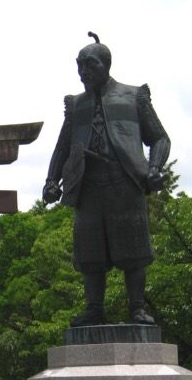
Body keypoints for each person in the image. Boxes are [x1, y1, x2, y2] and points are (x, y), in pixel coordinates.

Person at [42, 32, 171, 327]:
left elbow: (160, 138)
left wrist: (154, 168)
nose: (83, 73)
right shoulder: (76, 105)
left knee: (134, 248)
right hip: (86, 184)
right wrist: (52, 179)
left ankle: (137, 307)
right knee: (90, 252)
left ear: (106, 65)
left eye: (90, 66)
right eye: (80, 67)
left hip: (124, 180)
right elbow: (63, 147)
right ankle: (94, 308)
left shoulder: (133, 95)